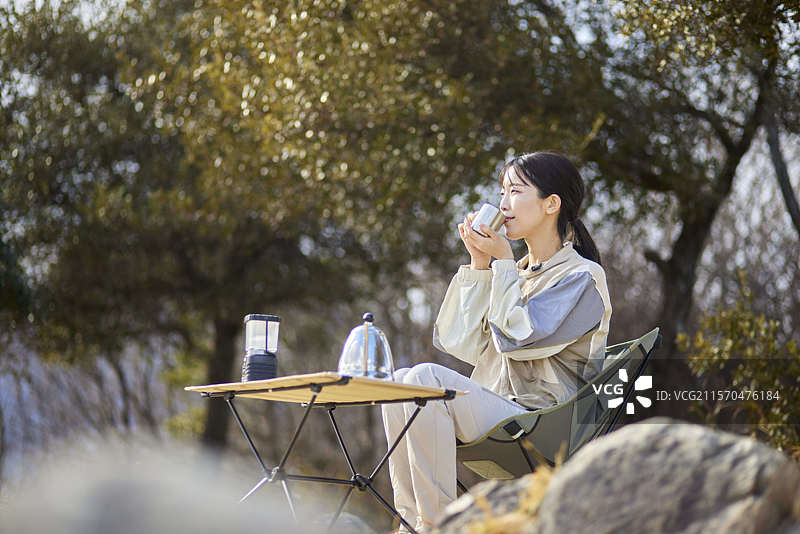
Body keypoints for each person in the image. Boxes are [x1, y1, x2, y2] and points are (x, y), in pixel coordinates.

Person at [381, 151, 612, 533]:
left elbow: (519, 340)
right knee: (402, 382)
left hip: (543, 424)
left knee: (423, 377)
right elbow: (461, 344)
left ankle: (439, 525)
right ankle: (411, 524)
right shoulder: (516, 272)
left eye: (516, 192)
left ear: (551, 204)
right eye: (502, 192)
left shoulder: (584, 278)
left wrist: (503, 263)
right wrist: (479, 265)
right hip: (498, 412)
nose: (503, 204)